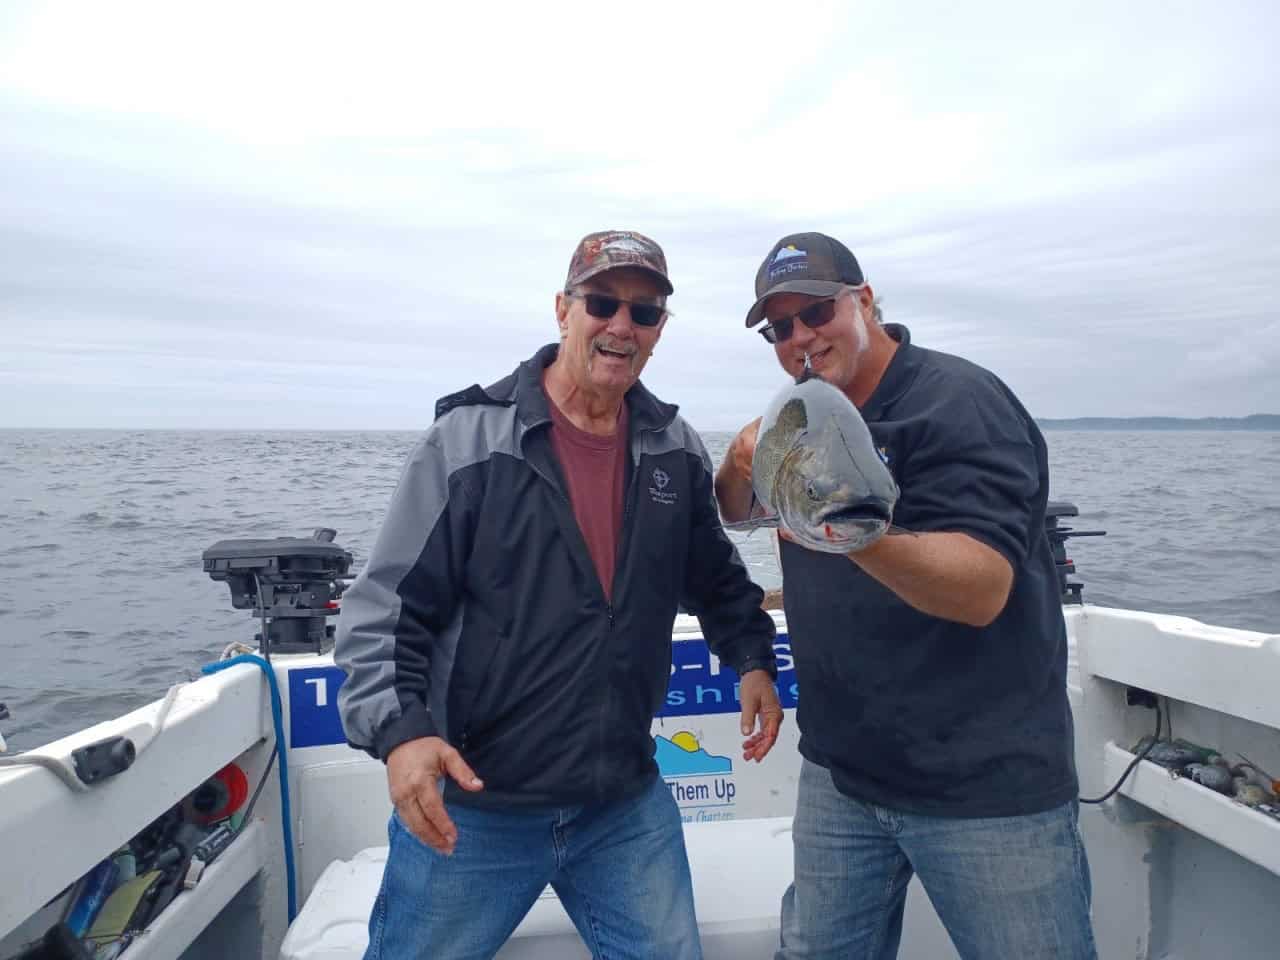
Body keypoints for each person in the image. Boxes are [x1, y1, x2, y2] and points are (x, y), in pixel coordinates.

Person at [334, 229, 783, 960]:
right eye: (602, 302)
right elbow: (384, 610)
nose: (621, 325)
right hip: (476, 806)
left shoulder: (674, 444)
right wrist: (403, 735)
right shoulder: (469, 441)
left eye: (644, 313)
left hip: (623, 800)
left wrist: (752, 659)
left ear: (659, 331)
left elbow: (714, 575)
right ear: (562, 310)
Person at [715, 232, 1097, 959]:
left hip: (983, 788)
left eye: (816, 312)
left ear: (864, 301)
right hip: (840, 774)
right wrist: (741, 461)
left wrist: (847, 526)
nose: (800, 336)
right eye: (780, 327)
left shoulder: (960, 402)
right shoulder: (801, 413)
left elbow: (983, 589)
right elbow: (736, 511)